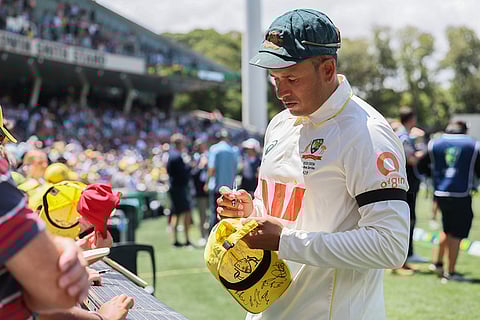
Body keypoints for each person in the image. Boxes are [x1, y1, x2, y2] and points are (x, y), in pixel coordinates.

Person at [216, 9, 409, 320]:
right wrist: (249, 213)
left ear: (328, 69)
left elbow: (391, 246)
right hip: (268, 309)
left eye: (291, 78)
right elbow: (281, 213)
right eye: (275, 78)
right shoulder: (280, 124)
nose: (280, 91)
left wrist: (285, 241)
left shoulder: (367, 132)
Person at [417, 120, 480, 281]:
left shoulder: (435, 143)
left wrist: (434, 179)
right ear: (464, 130)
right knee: (457, 234)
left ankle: (438, 263)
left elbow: (421, 166)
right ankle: (450, 272)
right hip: (461, 193)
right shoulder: (473, 144)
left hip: (440, 192)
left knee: (447, 229)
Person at [395, 106, 428, 269]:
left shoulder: (404, 135)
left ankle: (407, 254)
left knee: (409, 219)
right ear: (412, 119)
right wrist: (422, 146)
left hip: (406, 184)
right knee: (408, 220)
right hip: (408, 185)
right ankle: (404, 257)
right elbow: (412, 160)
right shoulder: (404, 137)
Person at [207, 129, 238, 231]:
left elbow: (211, 168)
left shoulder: (214, 149)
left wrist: (207, 183)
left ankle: (212, 238)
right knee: (228, 215)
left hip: (217, 187)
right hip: (229, 189)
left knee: (214, 212)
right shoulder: (233, 150)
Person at [166, 133, 193, 247]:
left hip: (175, 188)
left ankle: (176, 239)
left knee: (176, 213)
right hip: (179, 188)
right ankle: (186, 239)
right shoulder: (176, 157)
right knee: (185, 213)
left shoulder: (172, 155)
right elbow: (183, 173)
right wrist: (190, 166)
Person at [191, 138, 210, 244]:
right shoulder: (195, 158)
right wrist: (200, 166)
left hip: (208, 189)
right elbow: (193, 174)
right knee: (202, 214)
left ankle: (209, 233)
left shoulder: (208, 155)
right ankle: (203, 235)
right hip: (199, 190)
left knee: (210, 213)